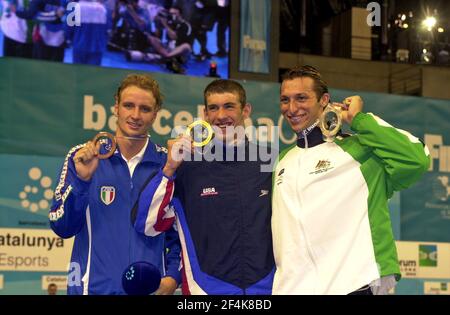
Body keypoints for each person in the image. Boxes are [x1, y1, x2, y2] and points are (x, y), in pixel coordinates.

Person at [271, 65, 430, 295]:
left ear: (323, 100)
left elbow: (417, 159)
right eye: (285, 100)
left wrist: (357, 119)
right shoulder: (283, 161)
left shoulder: (361, 150)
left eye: (302, 98)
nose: (292, 108)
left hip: (353, 285)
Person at [133, 79, 276, 294]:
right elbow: (146, 224)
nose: (220, 116)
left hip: (267, 288)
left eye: (229, 106)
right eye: (213, 108)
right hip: (206, 289)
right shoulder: (187, 166)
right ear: (205, 114)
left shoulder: (270, 163)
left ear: (245, 110)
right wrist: (170, 168)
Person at [49, 74, 181, 295]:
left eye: (145, 109)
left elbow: (178, 237)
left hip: (149, 290)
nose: (135, 115)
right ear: (116, 107)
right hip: (92, 290)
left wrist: (172, 279)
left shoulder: (168, 164)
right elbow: (62, 228)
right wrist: (82, 182)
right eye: (129, 105)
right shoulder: (82, 157)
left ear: (156, 114)